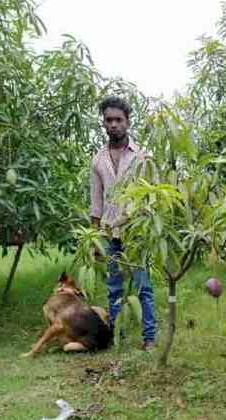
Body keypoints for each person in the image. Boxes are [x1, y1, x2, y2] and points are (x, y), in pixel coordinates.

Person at [90, 95, 156, 350]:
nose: (114, 124)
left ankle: (149, 338)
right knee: (113, 287)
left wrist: (144, 224)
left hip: (136, 231)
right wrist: (94, 238)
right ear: (103, 124)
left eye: (119, 120)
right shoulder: (98, 160)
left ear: (128, 122)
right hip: (108, 233)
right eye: (109, 120)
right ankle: (116, 335)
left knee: (143, 286)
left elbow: (151, 193)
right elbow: (96, 202)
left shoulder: (142, 156)